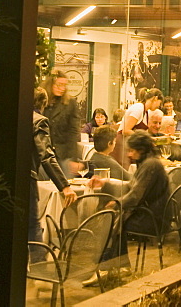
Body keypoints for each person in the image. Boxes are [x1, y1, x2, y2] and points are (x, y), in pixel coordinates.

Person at [92, 132, 168, 281]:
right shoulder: (148, 162)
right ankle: (116, 266)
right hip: (151, 213)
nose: (129, 154)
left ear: (141, 150)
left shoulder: (150, 165)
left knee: (114, 219)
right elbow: (132, 186)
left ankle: (108, 267)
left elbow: (135, 195)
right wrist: (106, 182)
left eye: (132, 150)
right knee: (116, 219)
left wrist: (117, 203)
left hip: (153, 219)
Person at [30, 88, 76, 259]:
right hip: (26, 179)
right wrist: (65, 186)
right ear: (43, 104)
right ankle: (38, 271)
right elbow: (46, 156)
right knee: (32, 226)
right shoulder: (39, 121)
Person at [42, 70, 80, 176]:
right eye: (59, 85)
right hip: (43, 152)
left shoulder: (70, 103)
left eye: (64, 85)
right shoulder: (41, 101)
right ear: (50, 84)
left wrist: (74, 158)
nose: (62, 88)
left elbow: (73, 132)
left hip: (63, 153)